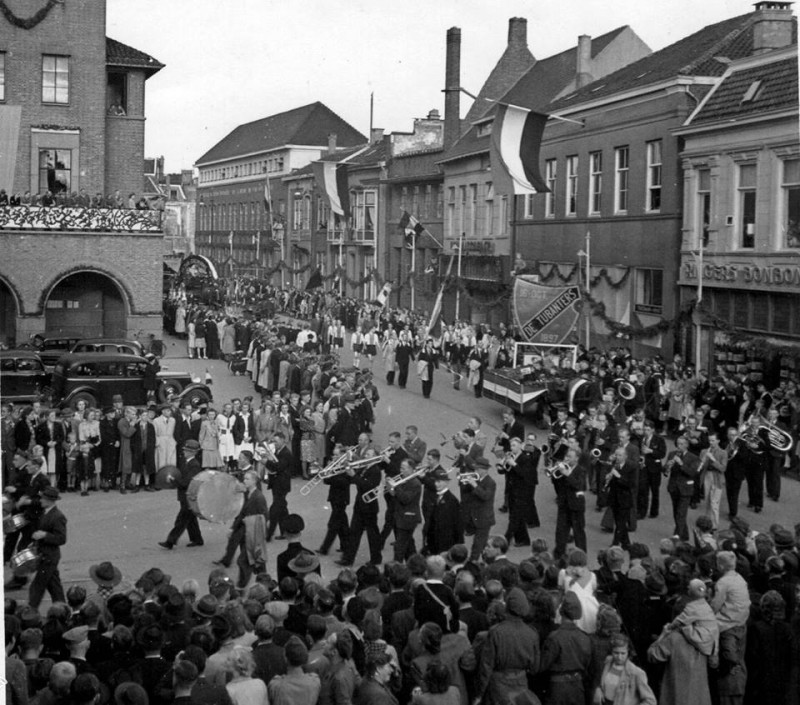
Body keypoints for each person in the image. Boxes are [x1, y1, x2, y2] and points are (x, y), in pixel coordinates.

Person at [476, 587, 540, 705]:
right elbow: (535, 668)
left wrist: (479, 694)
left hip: (498, 688)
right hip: (521, 686)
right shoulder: (532, 633)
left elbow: (486, 667)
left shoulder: (495, 632)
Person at [159, 440, 204, 550]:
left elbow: (187, 482)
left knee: (181, 520)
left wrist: (174, 481)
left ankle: (170, 541)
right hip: (186, 496)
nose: (184, 452)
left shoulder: (194, 465)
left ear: (193, 452)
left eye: (187, 450)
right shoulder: (186, 462)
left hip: (189, 495)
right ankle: (197, 539)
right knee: (190, 519)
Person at [28, 486, 67, 609]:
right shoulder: (46, 512)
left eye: (43, 499)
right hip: (45, 555)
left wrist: (45, 535)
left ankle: (31, 612)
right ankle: (63, 610)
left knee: (36, 587)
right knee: (54, 586)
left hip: (49, 557)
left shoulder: (58, 516)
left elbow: (61, 538)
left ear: (50, 500)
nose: (40, 501)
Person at [594, 634, 657, 705]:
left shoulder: (636, 672)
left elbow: (650, 701)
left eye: (623, 653)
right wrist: (598, 689)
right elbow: (601, 681)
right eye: (616, 653)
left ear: (628, 652)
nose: (619, 657)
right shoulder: (608, 663)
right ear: (611, 651)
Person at [234, 470, 269, 589]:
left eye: (247, 479)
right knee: (257, 559)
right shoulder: (247, 494)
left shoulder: (258, 497)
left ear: (254, 481)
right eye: (244, 478)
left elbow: (265, 515)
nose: (244, 481)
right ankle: (264, 582)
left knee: (243, 560)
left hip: (254, 532)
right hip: (246, 531)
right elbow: (242, 513)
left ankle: (241, 585)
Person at [553, 446, 588, 559]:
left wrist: (567, 474)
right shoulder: (563, 468)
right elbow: (557, 484)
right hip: (564, 504)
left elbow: (581, 486)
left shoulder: (581, 470)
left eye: (570, 457)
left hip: (576, 506)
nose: (567, 458)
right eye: (566, 456)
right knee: (560, 532)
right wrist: (555, 471)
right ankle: (559, 556)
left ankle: (582, 557)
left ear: (576, 458)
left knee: (578, 533)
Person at [459, 456, 495, 561]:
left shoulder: (490, 482)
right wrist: (464, 482)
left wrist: (474, 485)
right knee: (482, 544)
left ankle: (473, 562)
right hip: (473, 516)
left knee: (478, 544)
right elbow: (465, 493)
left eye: (478, 469)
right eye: (475, 469)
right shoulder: (476, 478)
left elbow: (486, 496)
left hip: (484, 518)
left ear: (485, 470)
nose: (476, 471)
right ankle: (488, 560)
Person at [665, 435, 700, 541]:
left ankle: (677, 536)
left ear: (686, 445)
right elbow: (664, 470)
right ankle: (684, 534)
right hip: (674, 487)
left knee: (681, 513)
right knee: (676, 513)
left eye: (681, 444)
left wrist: (681, 463)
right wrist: (667, 466)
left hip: (686, 489)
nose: (678, 446)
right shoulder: (672, 454)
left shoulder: (693, 457)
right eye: (678, 444)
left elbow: (692, 473)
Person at [424, 467, 463, 555]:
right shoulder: (434, 497)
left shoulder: (452, 500)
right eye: (435, 482)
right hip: (434, 540)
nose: (436, 484)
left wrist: (458, 543)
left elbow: (458, 522)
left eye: (439, 482)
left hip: (446, 541)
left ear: (446, 482)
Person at [606, 446, 637, 551]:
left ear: (625, 456)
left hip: (625, 499)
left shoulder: (631, 467)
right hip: (614, 497)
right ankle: (626, 543)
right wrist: (608, 479)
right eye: (616, 455)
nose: (617, 457)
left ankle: (615, 544)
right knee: (619, 521)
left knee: (620, 523)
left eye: (620, 455)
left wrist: (618, 476)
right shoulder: (614, 465)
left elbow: (631, 484)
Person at [392, 458, 422, 562]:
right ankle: (415, 567)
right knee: (409, 546)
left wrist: (395, 486)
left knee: (399, 547)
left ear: (411, 469)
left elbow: (405, 499)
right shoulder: (403, 480)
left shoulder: (415, 483)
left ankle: (396, 569)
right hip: (400, 516)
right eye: (401, 468)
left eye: (403, 468)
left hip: (408, 518)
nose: (401, 470)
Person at [265, 431, 293, 541]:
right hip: (277, 483)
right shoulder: (279, 451)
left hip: (282, 484)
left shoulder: (286, 453)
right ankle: (286, 531)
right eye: (273, 441)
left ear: (283, 440)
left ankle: (269, 534)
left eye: (276, 441)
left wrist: (266, 462)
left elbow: (279, 467)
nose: (274, 444)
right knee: (282, 510)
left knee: (274, 510)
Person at [638, 420, 667, 519]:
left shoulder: (659, 440)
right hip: (644, 467)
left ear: (653, 430)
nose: (646, 432)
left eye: (648, 430)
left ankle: (654, 512)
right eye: (644, 429)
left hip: (654, 469)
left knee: (655, 491)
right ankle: (642, 512)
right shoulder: (641, 438)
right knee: (643, 490)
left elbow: (662, 454)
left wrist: (651, 451)